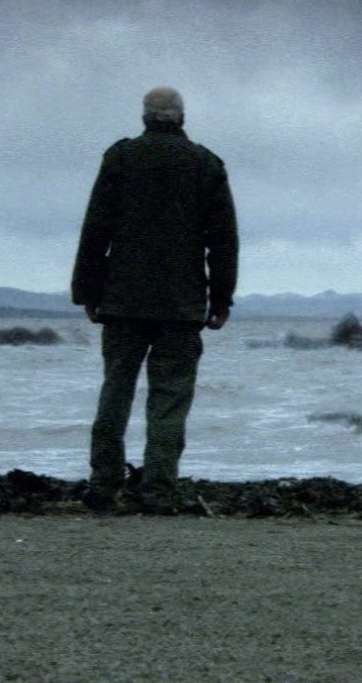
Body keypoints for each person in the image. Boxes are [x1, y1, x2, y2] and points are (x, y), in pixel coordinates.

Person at [71, 86, 239, 514]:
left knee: (115, 393)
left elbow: (96, 228)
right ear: (182, 118)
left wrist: (87, 291)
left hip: (123, 299)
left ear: (145, 118)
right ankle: (159, 491)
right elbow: (223, 240)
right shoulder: (205, 163)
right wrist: (221, 299)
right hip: (181, 304)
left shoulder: (120, 158)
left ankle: (103, 485)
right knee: (170, 401)